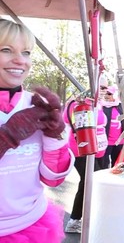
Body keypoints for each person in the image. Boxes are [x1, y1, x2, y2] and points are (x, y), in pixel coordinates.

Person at [0, 19, 75, 242]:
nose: (20, 60)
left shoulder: (37, 105)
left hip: (31, 224)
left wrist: (55, 136)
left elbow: (53, 179)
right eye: (6, 49)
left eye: (27, 52)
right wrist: (7, 136)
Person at [63, 96, 108, 233]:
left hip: (97, 149)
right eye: (102, 87)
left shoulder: (98, 103)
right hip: (82, 149)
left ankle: (87, 217)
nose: (104, 91)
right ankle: (74, 221)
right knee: (89, 182)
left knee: (91, 183)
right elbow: (69, 120)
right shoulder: (76, 104)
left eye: (105, 88)